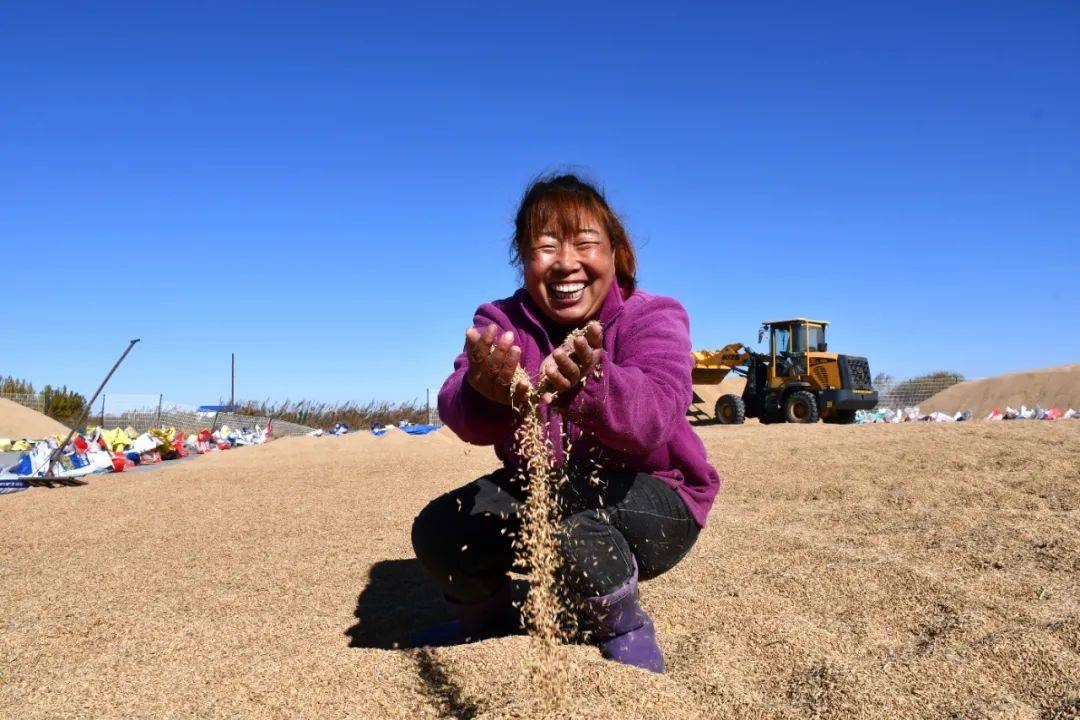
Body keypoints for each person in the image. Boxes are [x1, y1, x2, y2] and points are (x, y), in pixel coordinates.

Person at [410, 173, 721, 673]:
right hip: (544, 485)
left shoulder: (654, 316)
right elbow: (459, 405)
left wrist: (589, 386)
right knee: (440, 530)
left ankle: (623, 626)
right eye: (545, 246)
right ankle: (486, 620)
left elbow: (657, 415)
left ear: (615, 252)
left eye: (585, 243)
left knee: (564, 514)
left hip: (659, 496)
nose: (566, 262)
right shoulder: (501, 320)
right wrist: (482, 392)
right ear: (523, 259)